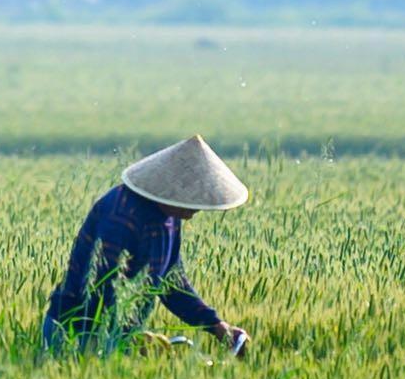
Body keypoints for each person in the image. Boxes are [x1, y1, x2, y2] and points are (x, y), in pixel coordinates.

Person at [42, 134, 250, 355]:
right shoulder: (122, 217)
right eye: (191, 200)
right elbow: (98, 289)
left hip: (117, 335)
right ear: (171, 190)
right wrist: (133, 338)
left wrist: (217, 326)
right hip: (77, 333)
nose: (193, 212)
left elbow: (171, 282)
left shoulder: (170, 216)